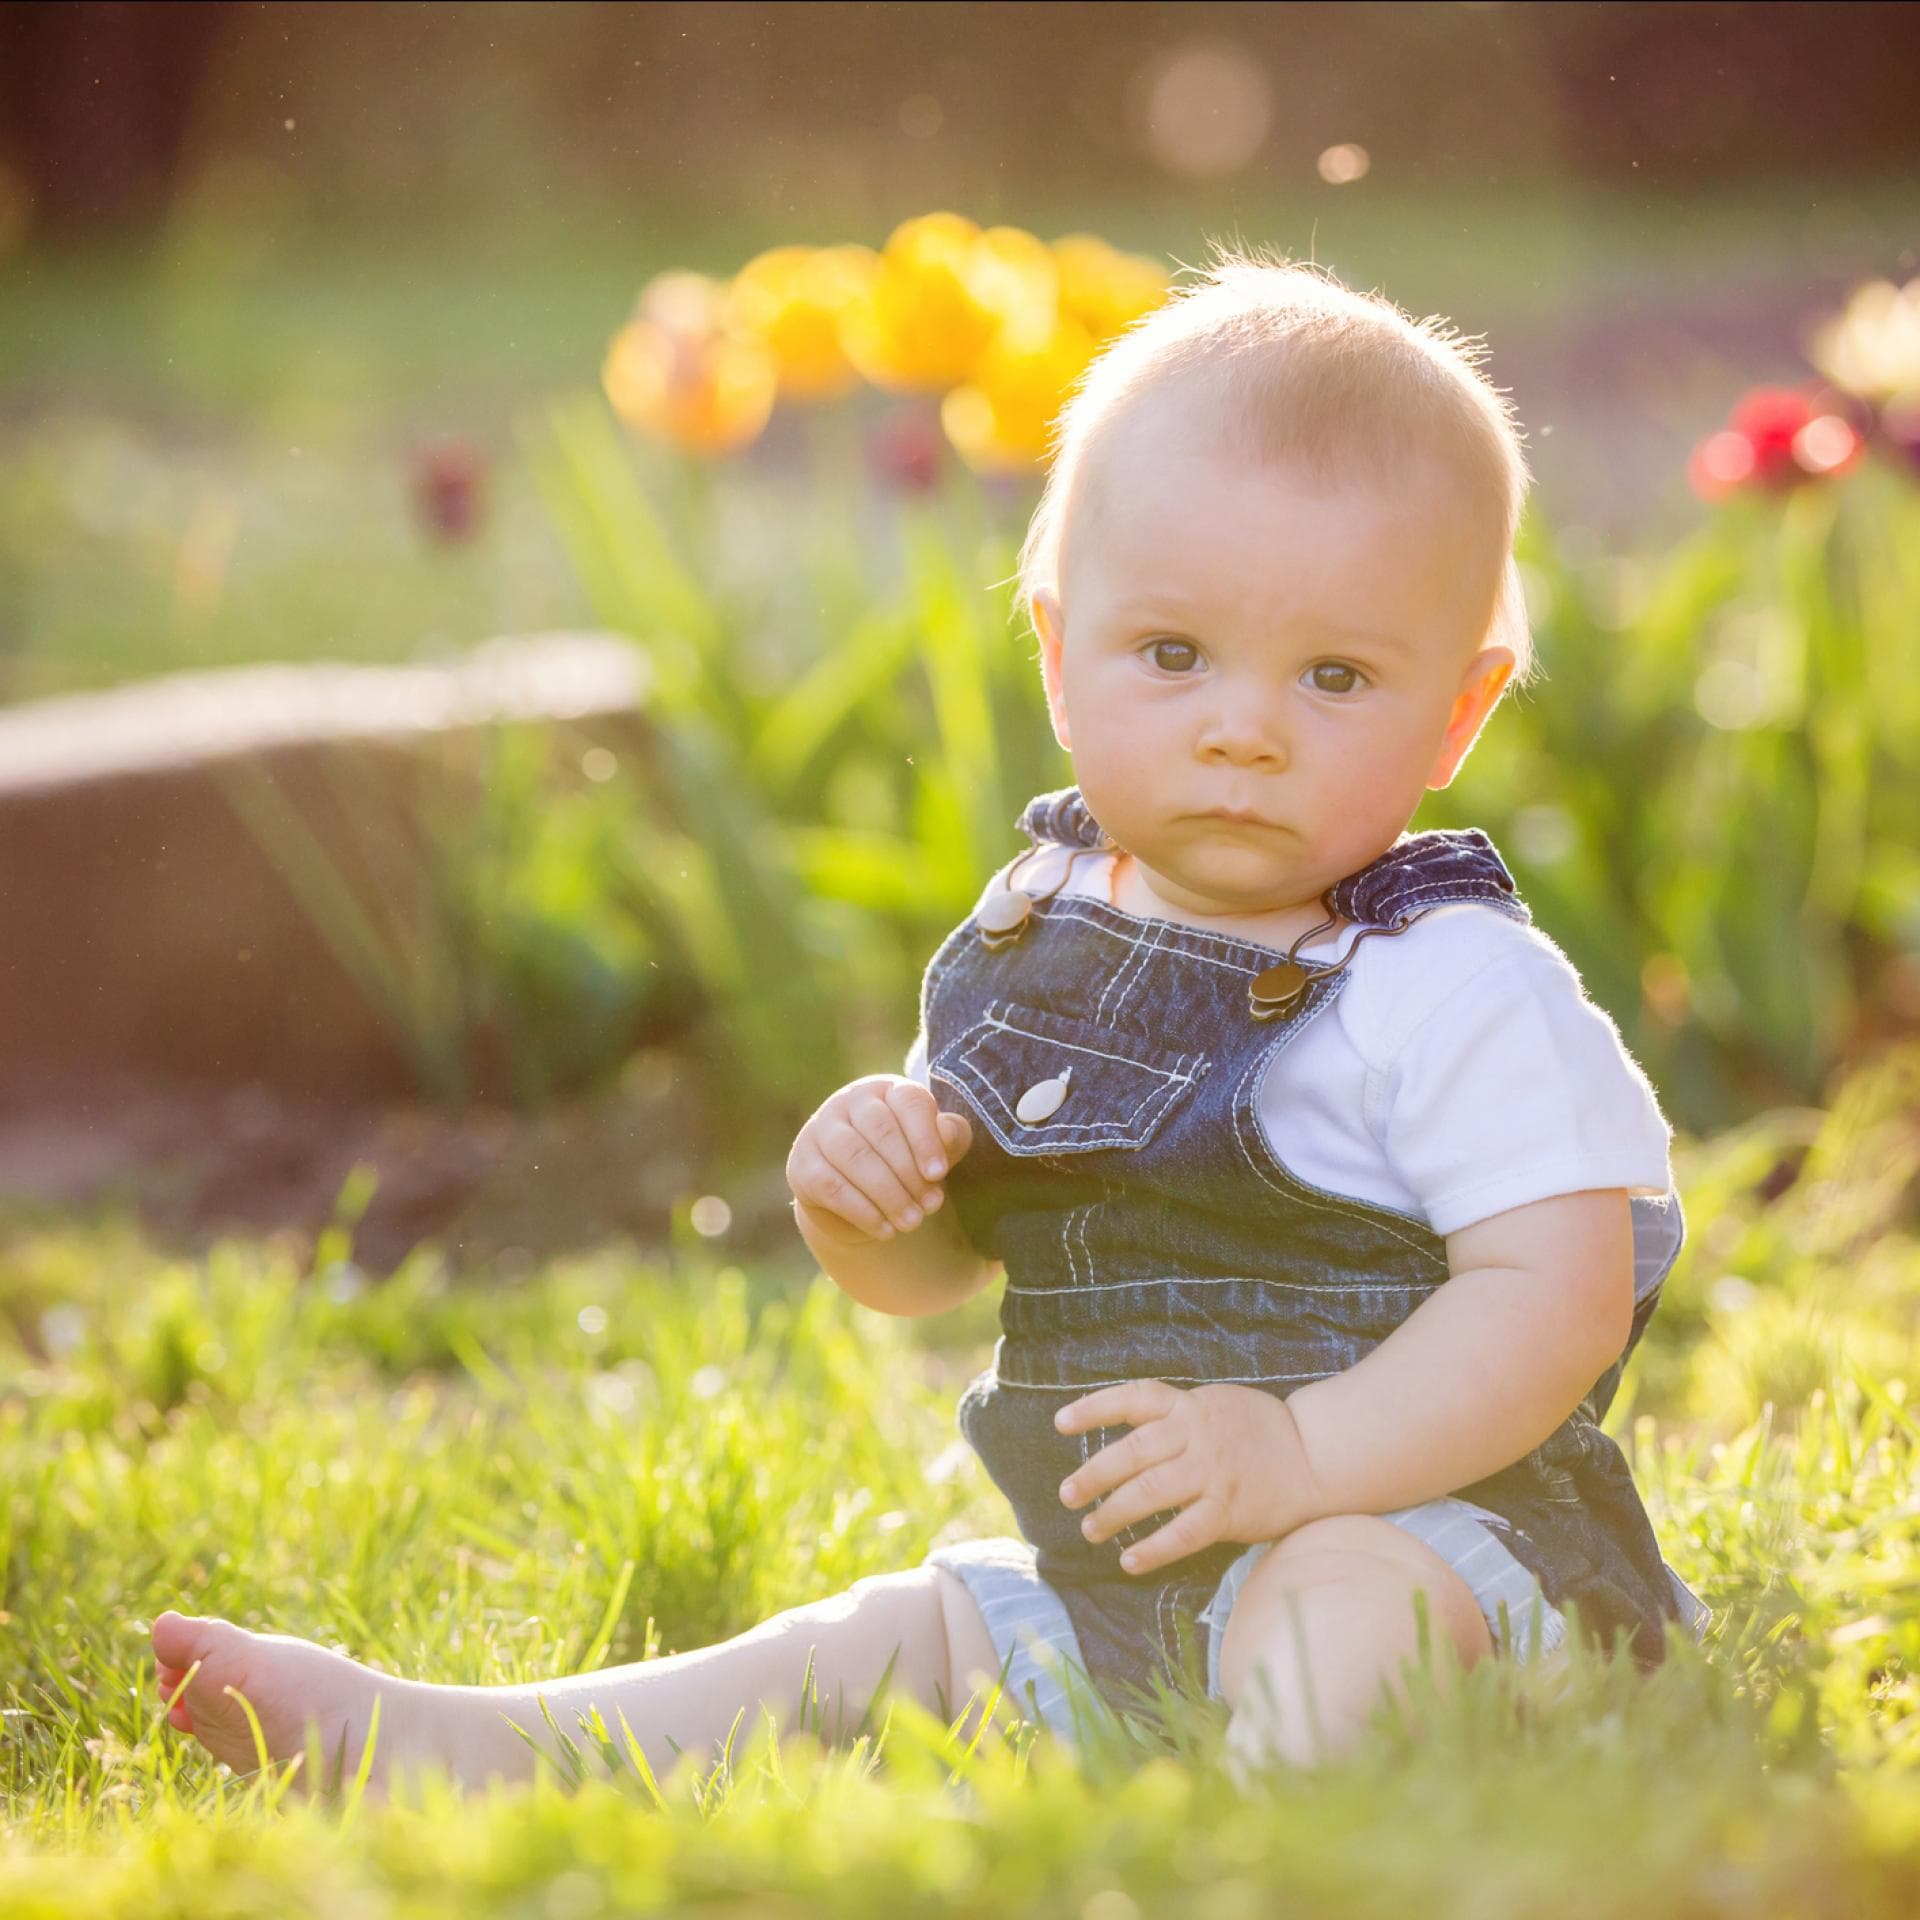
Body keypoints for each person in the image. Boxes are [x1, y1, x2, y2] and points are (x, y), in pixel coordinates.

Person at [149, 243, 1708, 1796]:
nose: (1243, 728)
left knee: (1336, 1608)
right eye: (1174, 655)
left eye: (1336, 675)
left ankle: (1262, 1827)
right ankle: (482, 1741)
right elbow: (934, 1268)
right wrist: (864, 1197)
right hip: (1128, 1583)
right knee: (904, 1630)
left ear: (1458, 711)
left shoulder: (1448, 981)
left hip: (1443, 1544)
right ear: (1055, 651)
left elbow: (1558, 1298)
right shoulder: (1040, 932)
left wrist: (1304, 1462)